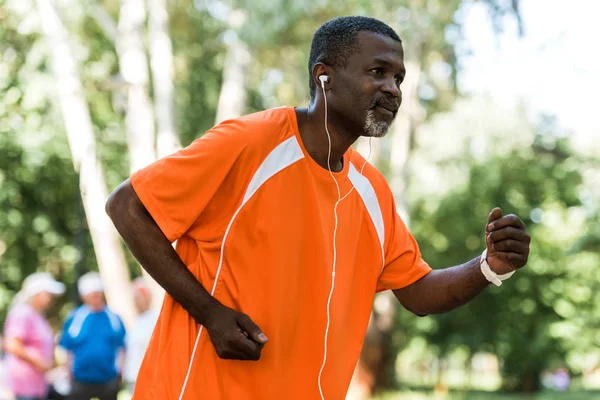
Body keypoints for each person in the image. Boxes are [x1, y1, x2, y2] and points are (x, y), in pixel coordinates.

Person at [105, 16, 531, 399]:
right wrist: (210, 313)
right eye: (378, 72)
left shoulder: (372, 190)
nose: (393, 89)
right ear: (324, 76)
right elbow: (126, 206)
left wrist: (490, 265)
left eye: (399, 78)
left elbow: (418, 291)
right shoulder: (249, 143)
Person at [59, 272, 126, 400]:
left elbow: (121, 347)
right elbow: (68, 348)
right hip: (80, 379)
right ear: (83, 296)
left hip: (108, 379)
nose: (95, 297)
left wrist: (119, 373)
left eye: (97, 293)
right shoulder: (74, 318)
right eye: (91, 294)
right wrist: (68, 372)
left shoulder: (114, 318)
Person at [3, 272, 65, 400]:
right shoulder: (22, 313)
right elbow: (12, 344)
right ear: (37, 294)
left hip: (38, 384)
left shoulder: (38, 315)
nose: (51, 298)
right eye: (48, 294)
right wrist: (38, 361)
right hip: (24, 384)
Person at [122, 277, 159, 394]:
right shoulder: (135, 321)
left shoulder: (156, 319)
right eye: (134, 298)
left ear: (147, 298)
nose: (135, 301)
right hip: (132, 378)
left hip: (148, 378)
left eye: (138, 297)